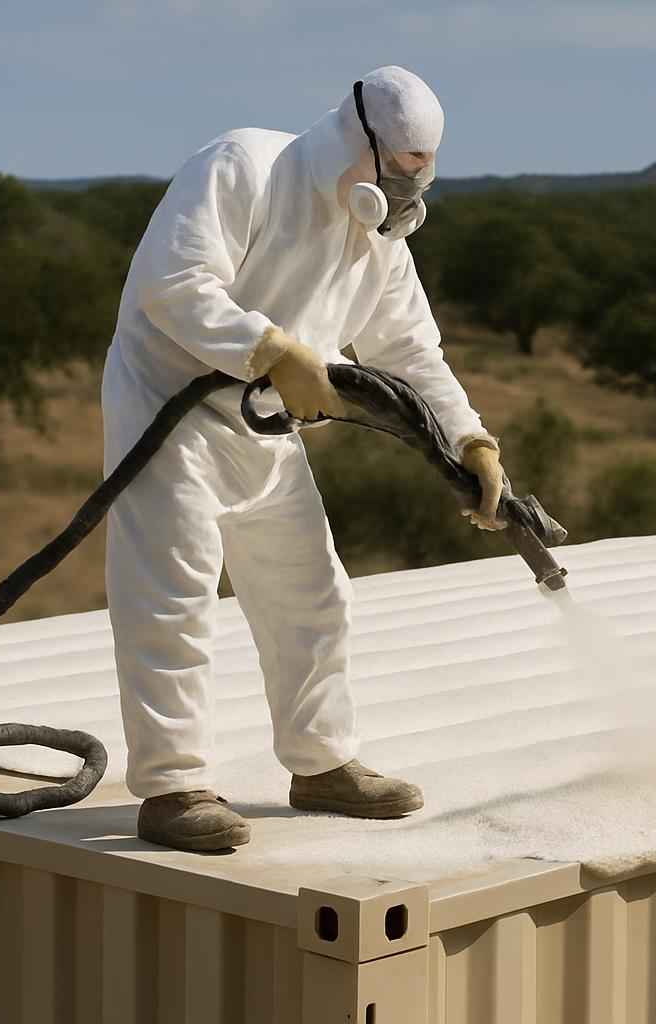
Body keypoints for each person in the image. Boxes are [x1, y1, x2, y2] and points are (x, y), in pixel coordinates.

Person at [101, 66, 505, 852]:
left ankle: (321, 766)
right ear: (359, 141)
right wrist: (274, 347)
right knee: (173, 598)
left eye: (416, 177)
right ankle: (173, 785)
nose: (401, 189)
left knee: (312, 596)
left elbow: (412, 353)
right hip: (168, 410)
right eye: (394, 170)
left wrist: (470, 441)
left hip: (263, 421)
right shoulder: (245, 166)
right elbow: (172, 283)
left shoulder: (379, 240)